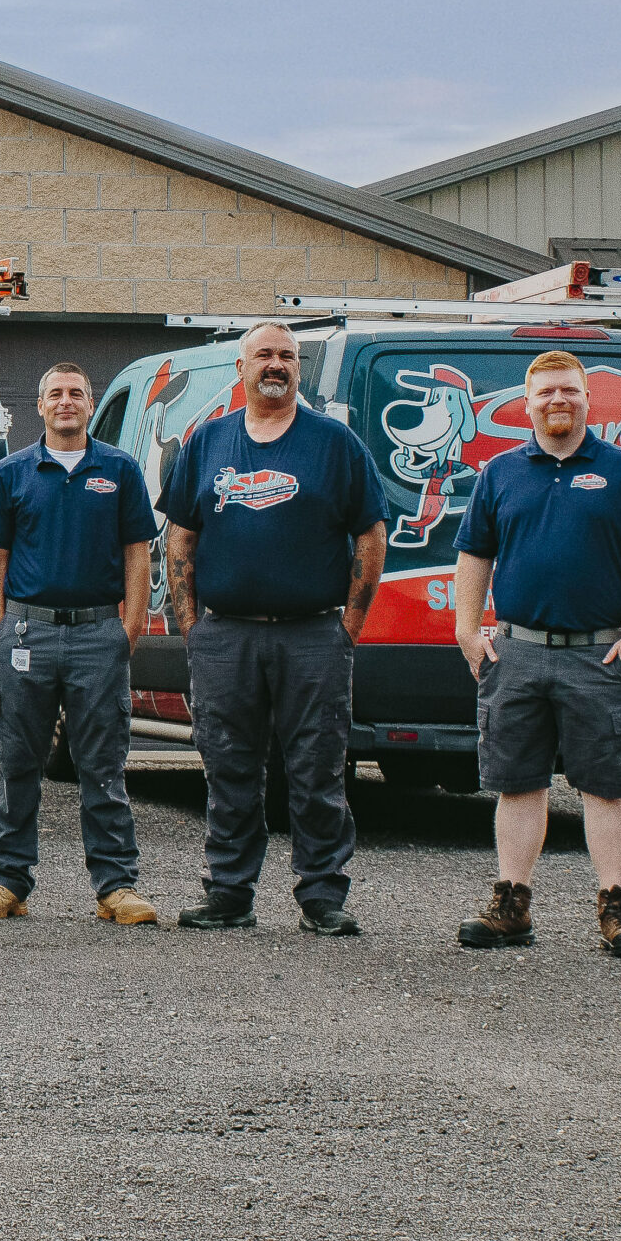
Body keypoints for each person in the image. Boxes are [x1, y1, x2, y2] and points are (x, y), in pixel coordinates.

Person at [159, 321, 384, 937]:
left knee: (317, 770)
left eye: (287, 355)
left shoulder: (334, 444)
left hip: (312, 635)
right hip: (226, 635)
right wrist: (191, 626)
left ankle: (322, 895)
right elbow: (182, 533)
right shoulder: (208, 441)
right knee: (229, 767)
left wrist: (350, 627)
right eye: (264, 354)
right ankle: (229, 892)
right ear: (242, 368)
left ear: (297, 368)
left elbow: (370, 536)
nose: (277, 364)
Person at [448, 350, 621, 958]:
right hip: (516, 653)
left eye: (569, 391)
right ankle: (511, 904)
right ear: (527, 403)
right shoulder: (500, 473)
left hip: (596, 656)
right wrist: (469, 630)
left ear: (586, 398)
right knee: (517, 783)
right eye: (546, 392)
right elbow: (474, 556)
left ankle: (617, 907)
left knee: (605, 785)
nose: (558, 401)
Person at [0, 361, 160, 926]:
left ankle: (115, 887)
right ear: (41, 406)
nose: (66, 402)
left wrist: (130, 629)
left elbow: (137, 554)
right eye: (56, 394)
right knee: (19, 761)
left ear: (90, 402)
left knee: (103, 764)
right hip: (27, 633)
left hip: (100, 634)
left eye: (77, 393)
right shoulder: (12, 473)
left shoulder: (119, 471)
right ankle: (7, 881)